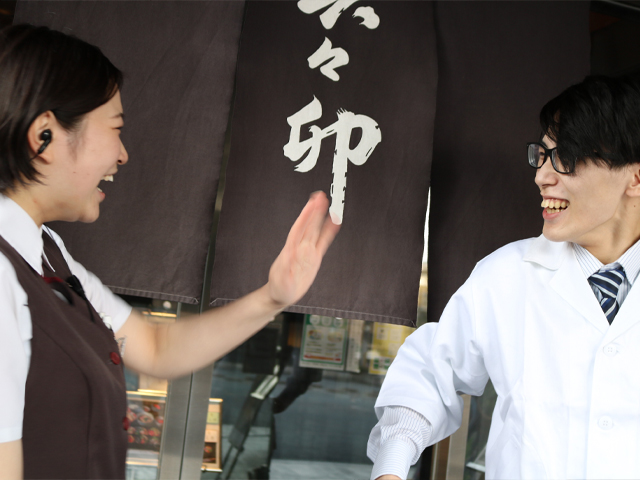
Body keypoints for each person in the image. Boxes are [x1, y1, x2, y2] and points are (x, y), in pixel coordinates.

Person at [0, 24, 339, 479]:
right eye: (116, 128)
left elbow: (156, 348)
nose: (122, 155)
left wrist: (272, 297)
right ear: (44, 135)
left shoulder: (46, 250)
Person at [368, 75, 640, 480]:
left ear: (634, 178)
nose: (541, 176)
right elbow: (429, 372)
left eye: (565, 157)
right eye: (542, 156)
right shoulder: (507, 275)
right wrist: (391, 468)